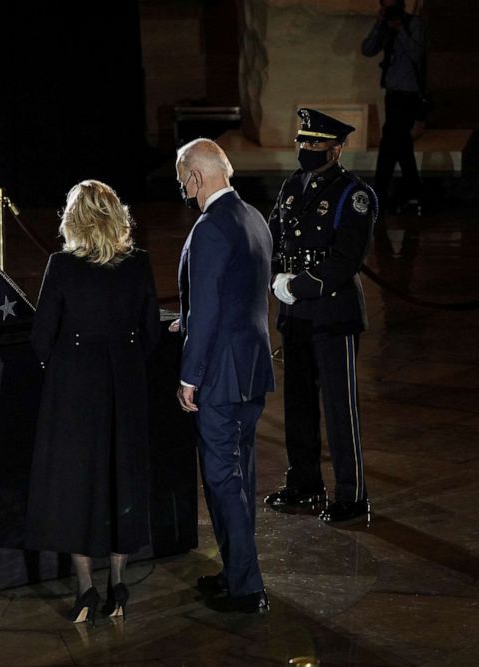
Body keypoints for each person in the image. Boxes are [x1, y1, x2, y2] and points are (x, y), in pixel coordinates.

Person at [25, 179, 160, 623]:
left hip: (75, 388)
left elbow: (42, 336)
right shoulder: (138, 264)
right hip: (125, 384)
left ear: (74, 219)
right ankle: (117, 585)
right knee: (122, 479)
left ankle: (85, 591)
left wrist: (66, 368)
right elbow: (151, 332)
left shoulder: (61, 266)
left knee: (78, 486)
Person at [174, 139, 275, 614]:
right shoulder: (254, 217)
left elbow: (211, 306)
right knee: (241, 477)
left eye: (183, 184)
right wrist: (189, 319)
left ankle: (247, 588)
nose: (185, 194)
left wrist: (190, 375)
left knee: (221, 480)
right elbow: (237, 295)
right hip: (252, 369)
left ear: (196, 176)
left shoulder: (211, 227)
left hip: (219, 375)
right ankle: (237, 574)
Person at [264, 108, 377, 524]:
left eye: (315, 143)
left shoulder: (354, 194)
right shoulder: (292, 186)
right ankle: (305, 483)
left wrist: (298, 285)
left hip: (332, 312)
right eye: (303, 142)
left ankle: (352, 494)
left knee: (339, 407)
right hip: (295, 315)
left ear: (336, 148)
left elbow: (346, 260)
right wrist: (276, 276)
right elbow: (273, 237)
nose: (307, 149)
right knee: (297, 404)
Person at [361, 0, 428, 218]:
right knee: (400, 145)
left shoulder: (413, 24)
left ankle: (381, 195)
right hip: (392, 94)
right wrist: (380, 25)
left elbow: (417, 54)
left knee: (390, 143)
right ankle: (414, 195)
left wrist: (400, 30)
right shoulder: (386, 26)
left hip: (408, 95)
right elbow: (368, 49)